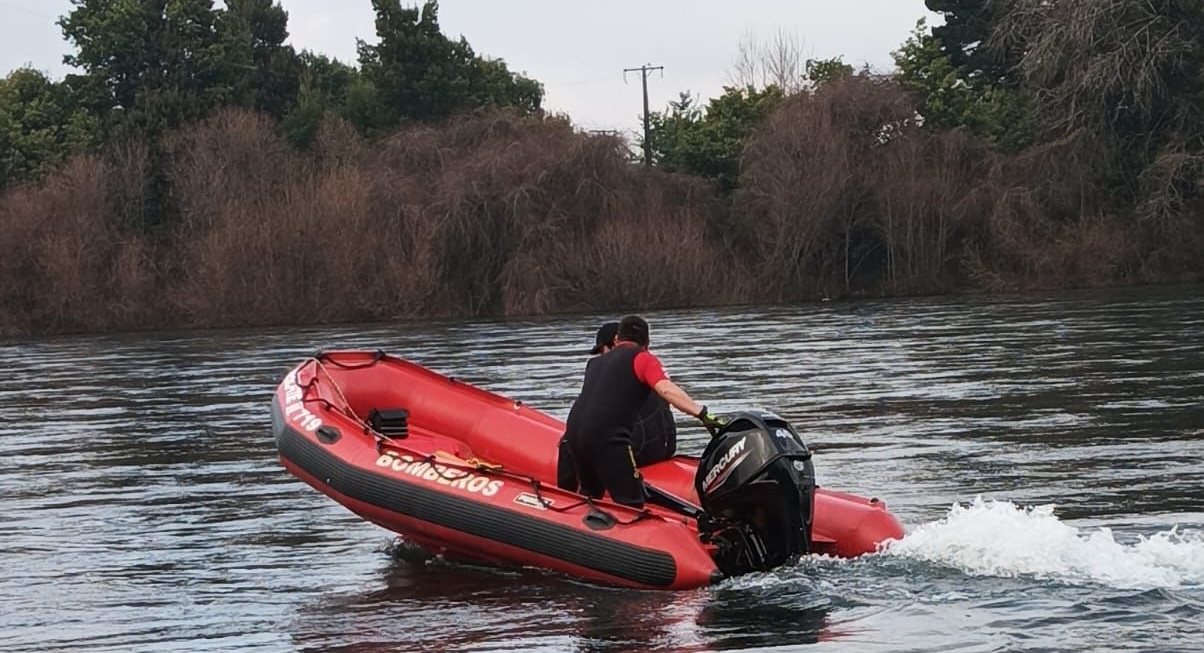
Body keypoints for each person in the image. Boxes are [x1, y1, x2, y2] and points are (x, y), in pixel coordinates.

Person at [561, 315, 723, 507]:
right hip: (608, 442)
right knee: (632, 504)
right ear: (647, 343)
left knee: (590, 497)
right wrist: (702, 413)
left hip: (573, 438)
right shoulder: (642, 358)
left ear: (616, 340)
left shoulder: (594, 364)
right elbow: (666, 389)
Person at [556, 321, 680, 491]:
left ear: (615, 345)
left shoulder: (615, 371)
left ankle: (566, 497)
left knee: (569, 443)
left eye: (602, 351)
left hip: (641, 448)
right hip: (664, 445)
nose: (601, 358)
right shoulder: (649, 365)